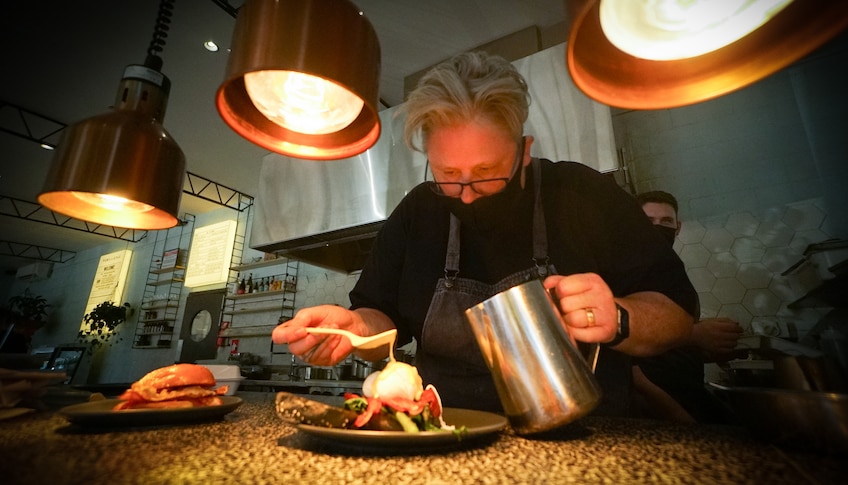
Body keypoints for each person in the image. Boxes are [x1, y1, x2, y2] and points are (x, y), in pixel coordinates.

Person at [272, 52, 698, 416]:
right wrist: (351, 328)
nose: (467, 196)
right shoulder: (420, 211)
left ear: (524, 152)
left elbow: (677, 316)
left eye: (486, 174)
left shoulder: (583, 194)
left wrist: (620, 317)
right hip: (447, 440)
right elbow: (379, 320)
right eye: (449, 175)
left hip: (583, 442)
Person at [633, 190, 743, 423]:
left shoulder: (672, 271)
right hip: (657, 405)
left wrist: (709, 347)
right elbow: (624, 357)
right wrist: (674, 413)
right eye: (648, 221)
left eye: (666, 221)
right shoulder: (628, 273)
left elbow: (669, 347)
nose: (658, 227)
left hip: (688, 392)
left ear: (678, 227)